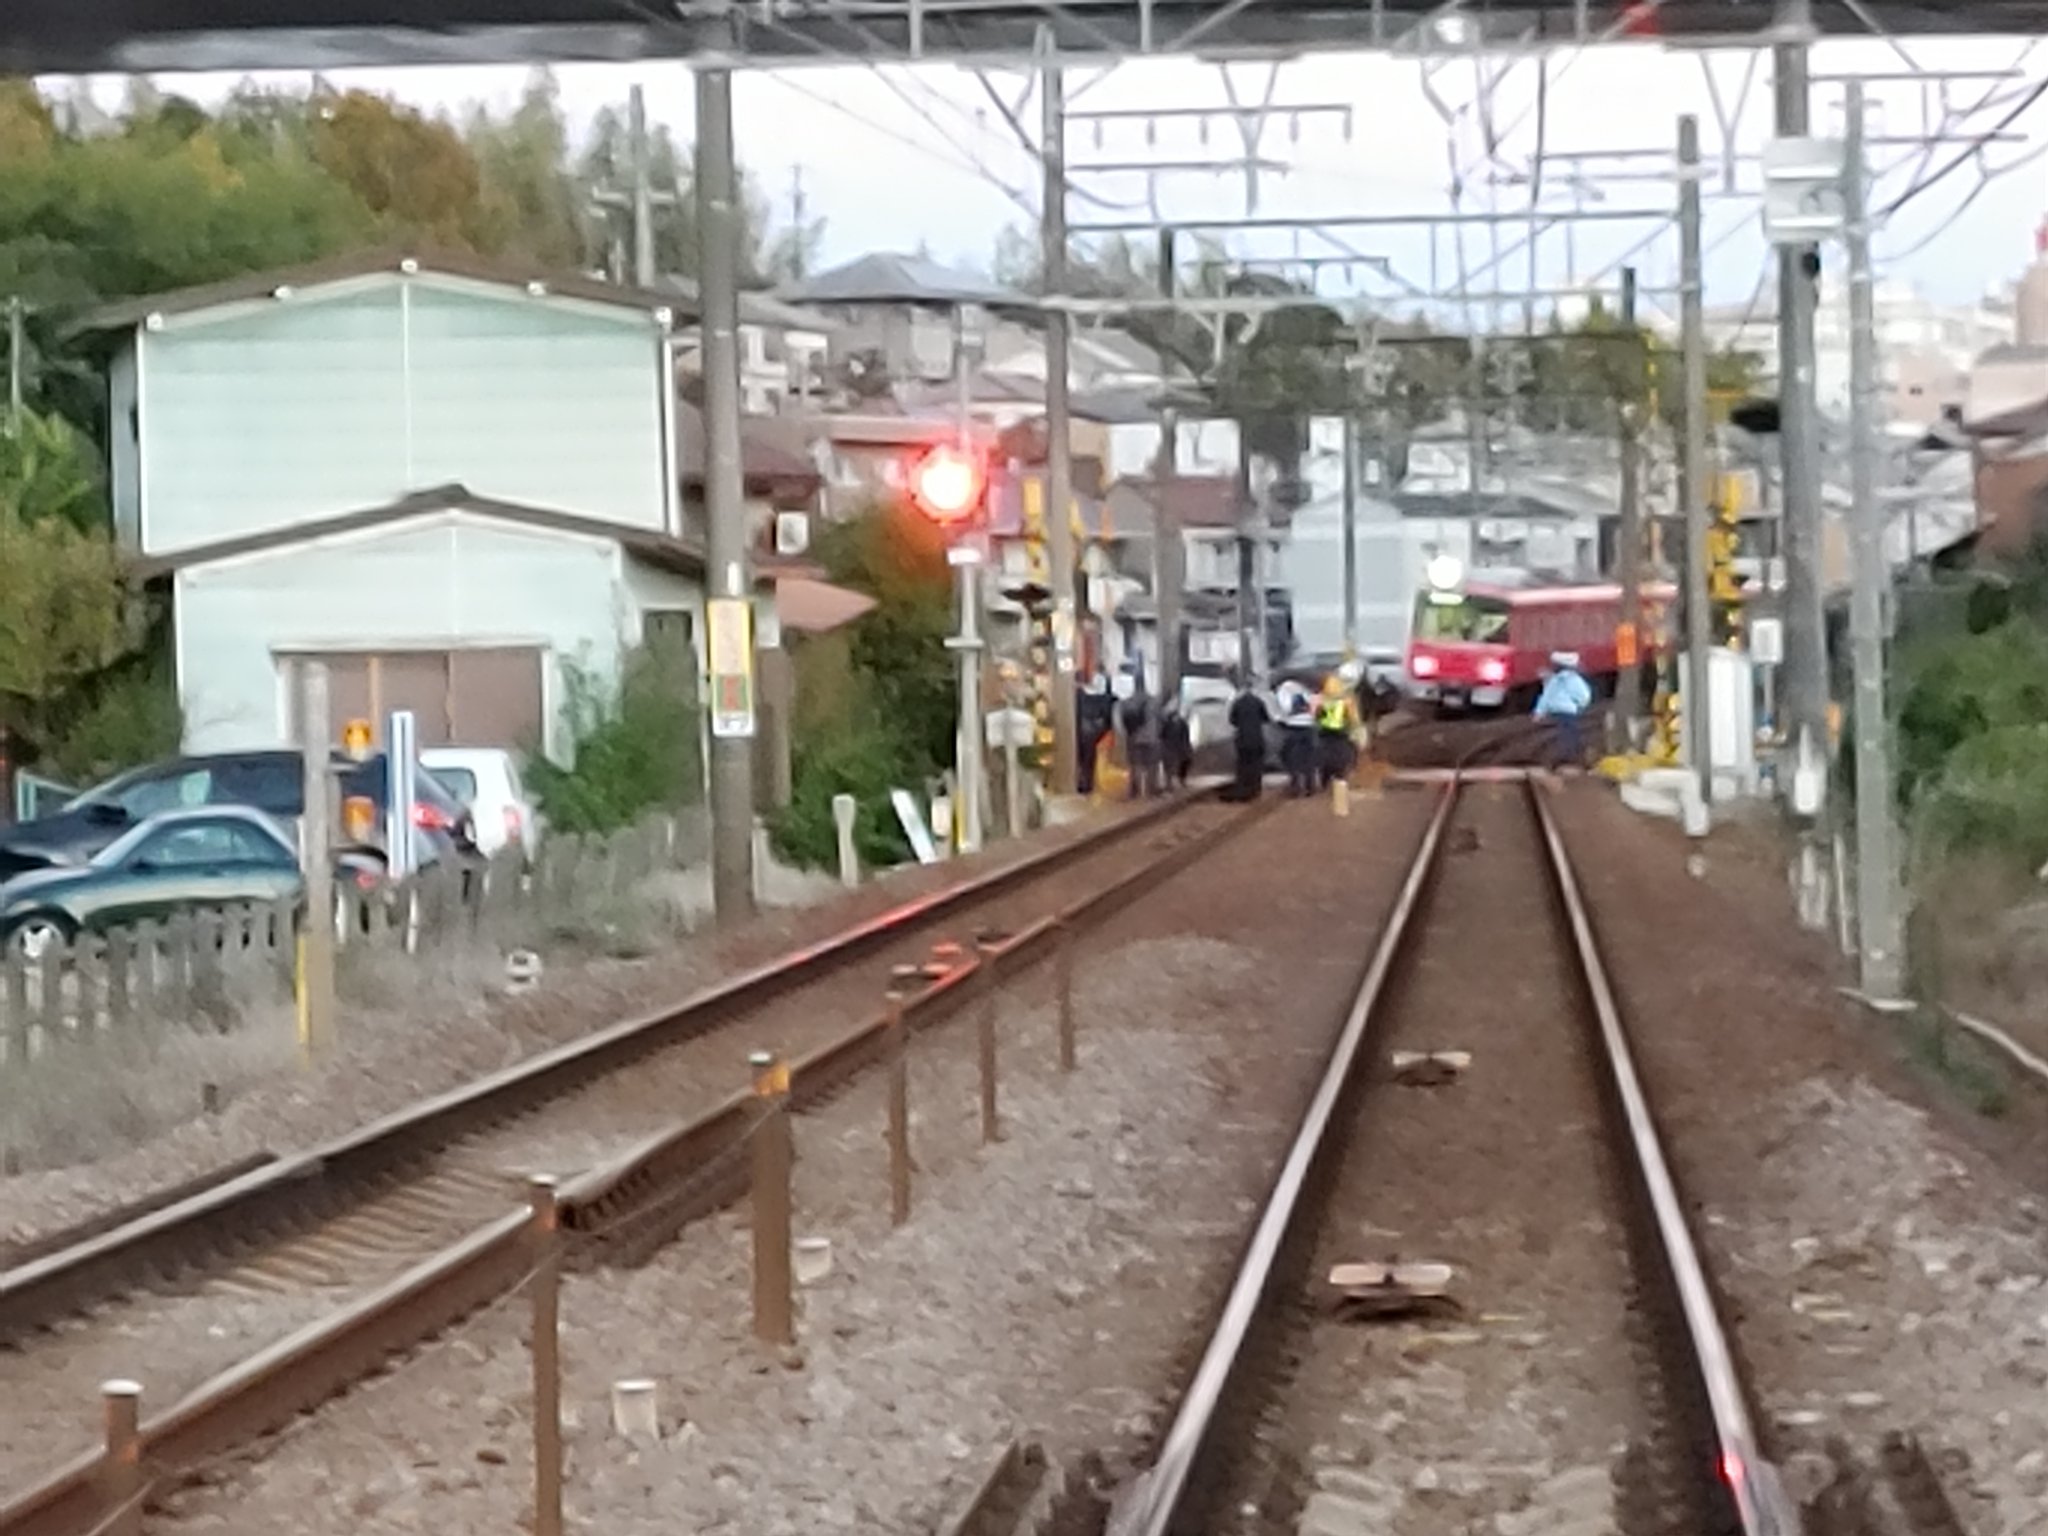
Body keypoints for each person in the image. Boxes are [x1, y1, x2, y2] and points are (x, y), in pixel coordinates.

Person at [1533, 651, 1594, 768]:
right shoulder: (1574, 680)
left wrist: (1539, 712)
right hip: (1569, 711)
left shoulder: (1553, 680)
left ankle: (1561, 755)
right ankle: (1569, 756)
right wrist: (1581, 705)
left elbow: (1546, 697)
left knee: (1559, 733)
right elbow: (1584, 695)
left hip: (1555, 711)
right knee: (1570, 733)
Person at [1223, 677, 1270, 802]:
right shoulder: (1258, 702)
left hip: (1242, 738)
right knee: (1256, 765)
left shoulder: (1237, 702)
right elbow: (1266, 718)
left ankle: (1243, 790)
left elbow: (1232, 720)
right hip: (1257, 738)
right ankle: (1255, 789)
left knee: (1242, 765)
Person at [1315, 674, 1356, 790]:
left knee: (1325, 756)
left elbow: (1317, 716)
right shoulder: (1346, 702)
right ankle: (1340, 779)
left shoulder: (1322, 700)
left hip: (1325, 732)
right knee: (1340, 756)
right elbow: (1351, 718)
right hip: (1341, 732)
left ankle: (1325, 781)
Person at [1119, 683, 1159, 799]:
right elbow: (1160, 719)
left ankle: (1135, 791)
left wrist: (1126, 734)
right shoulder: (1153, 702)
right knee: (1151, 765)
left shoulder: (1127, 703)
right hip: (1151, 738)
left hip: (1133, 738)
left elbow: (1121, 721)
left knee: (1135, 765)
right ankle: (1149, 791)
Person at [1076, 674, 1114, 795]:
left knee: (1083, 758)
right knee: (1089, 758)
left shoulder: (1078, 696)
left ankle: (1083, 781)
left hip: (1082, 730)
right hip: (1094, 730)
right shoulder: (1103, 698)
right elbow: (1107, 715)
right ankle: (1088, 782)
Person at [1279, 686, 1317, 797]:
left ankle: (1296, 788)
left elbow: (1284, 714)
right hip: (1308, 728)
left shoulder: (1287, 697)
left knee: (1293, 760)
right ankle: (1310, 787)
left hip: (1294, 728)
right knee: (1308, 759)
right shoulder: (1308, 698)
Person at [1159, 698, 1193, 790]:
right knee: (1169, 763)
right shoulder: (1166, 722)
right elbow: (1161, 734)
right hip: (1169, 745)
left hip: (1179, 745)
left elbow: (1186, 736)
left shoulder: (1182, 722)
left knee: (1186, 759)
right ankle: (1169, 782)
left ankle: (1180, 779)